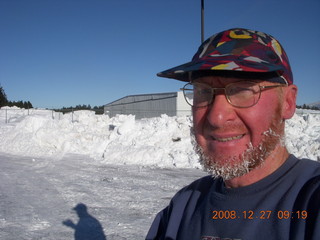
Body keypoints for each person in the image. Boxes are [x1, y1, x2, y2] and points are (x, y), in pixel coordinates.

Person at [145, 28, 320, 240]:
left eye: (242, 90)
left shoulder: (311, 202)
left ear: (288, 102)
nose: (215, 118)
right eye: (202, 91)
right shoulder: (182, 208)